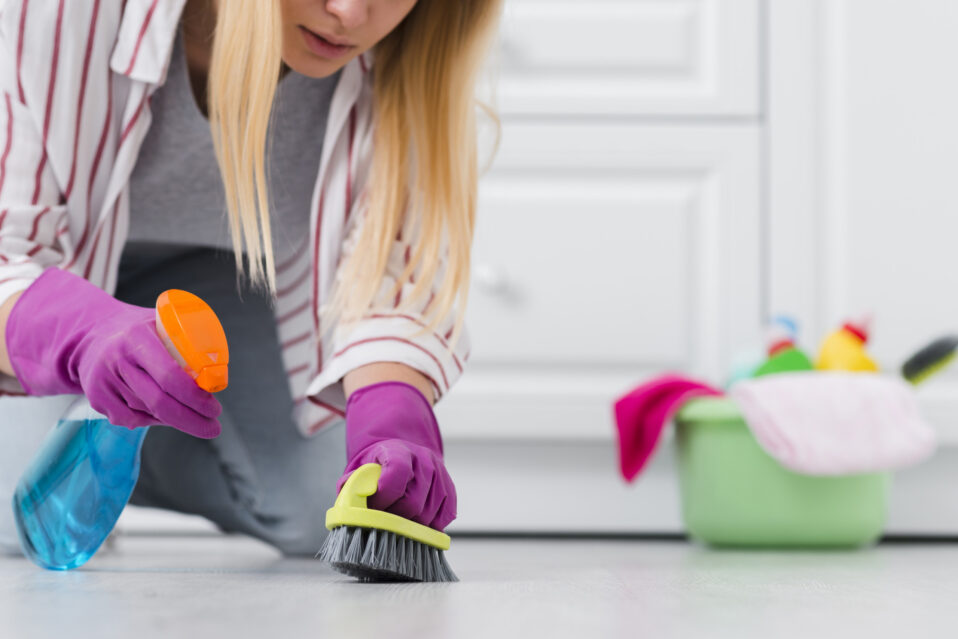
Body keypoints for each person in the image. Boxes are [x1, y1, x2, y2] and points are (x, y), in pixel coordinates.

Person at [0, 0, 501, 555]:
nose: (349, 13)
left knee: (323, 508)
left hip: (216, 285)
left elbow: (386, 274)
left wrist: (394, 413)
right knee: (17, 521)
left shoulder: (405, 56)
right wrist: (82, 335)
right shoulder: (57, 12)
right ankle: (97, 429)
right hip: (48, 296)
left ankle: (125, 439)